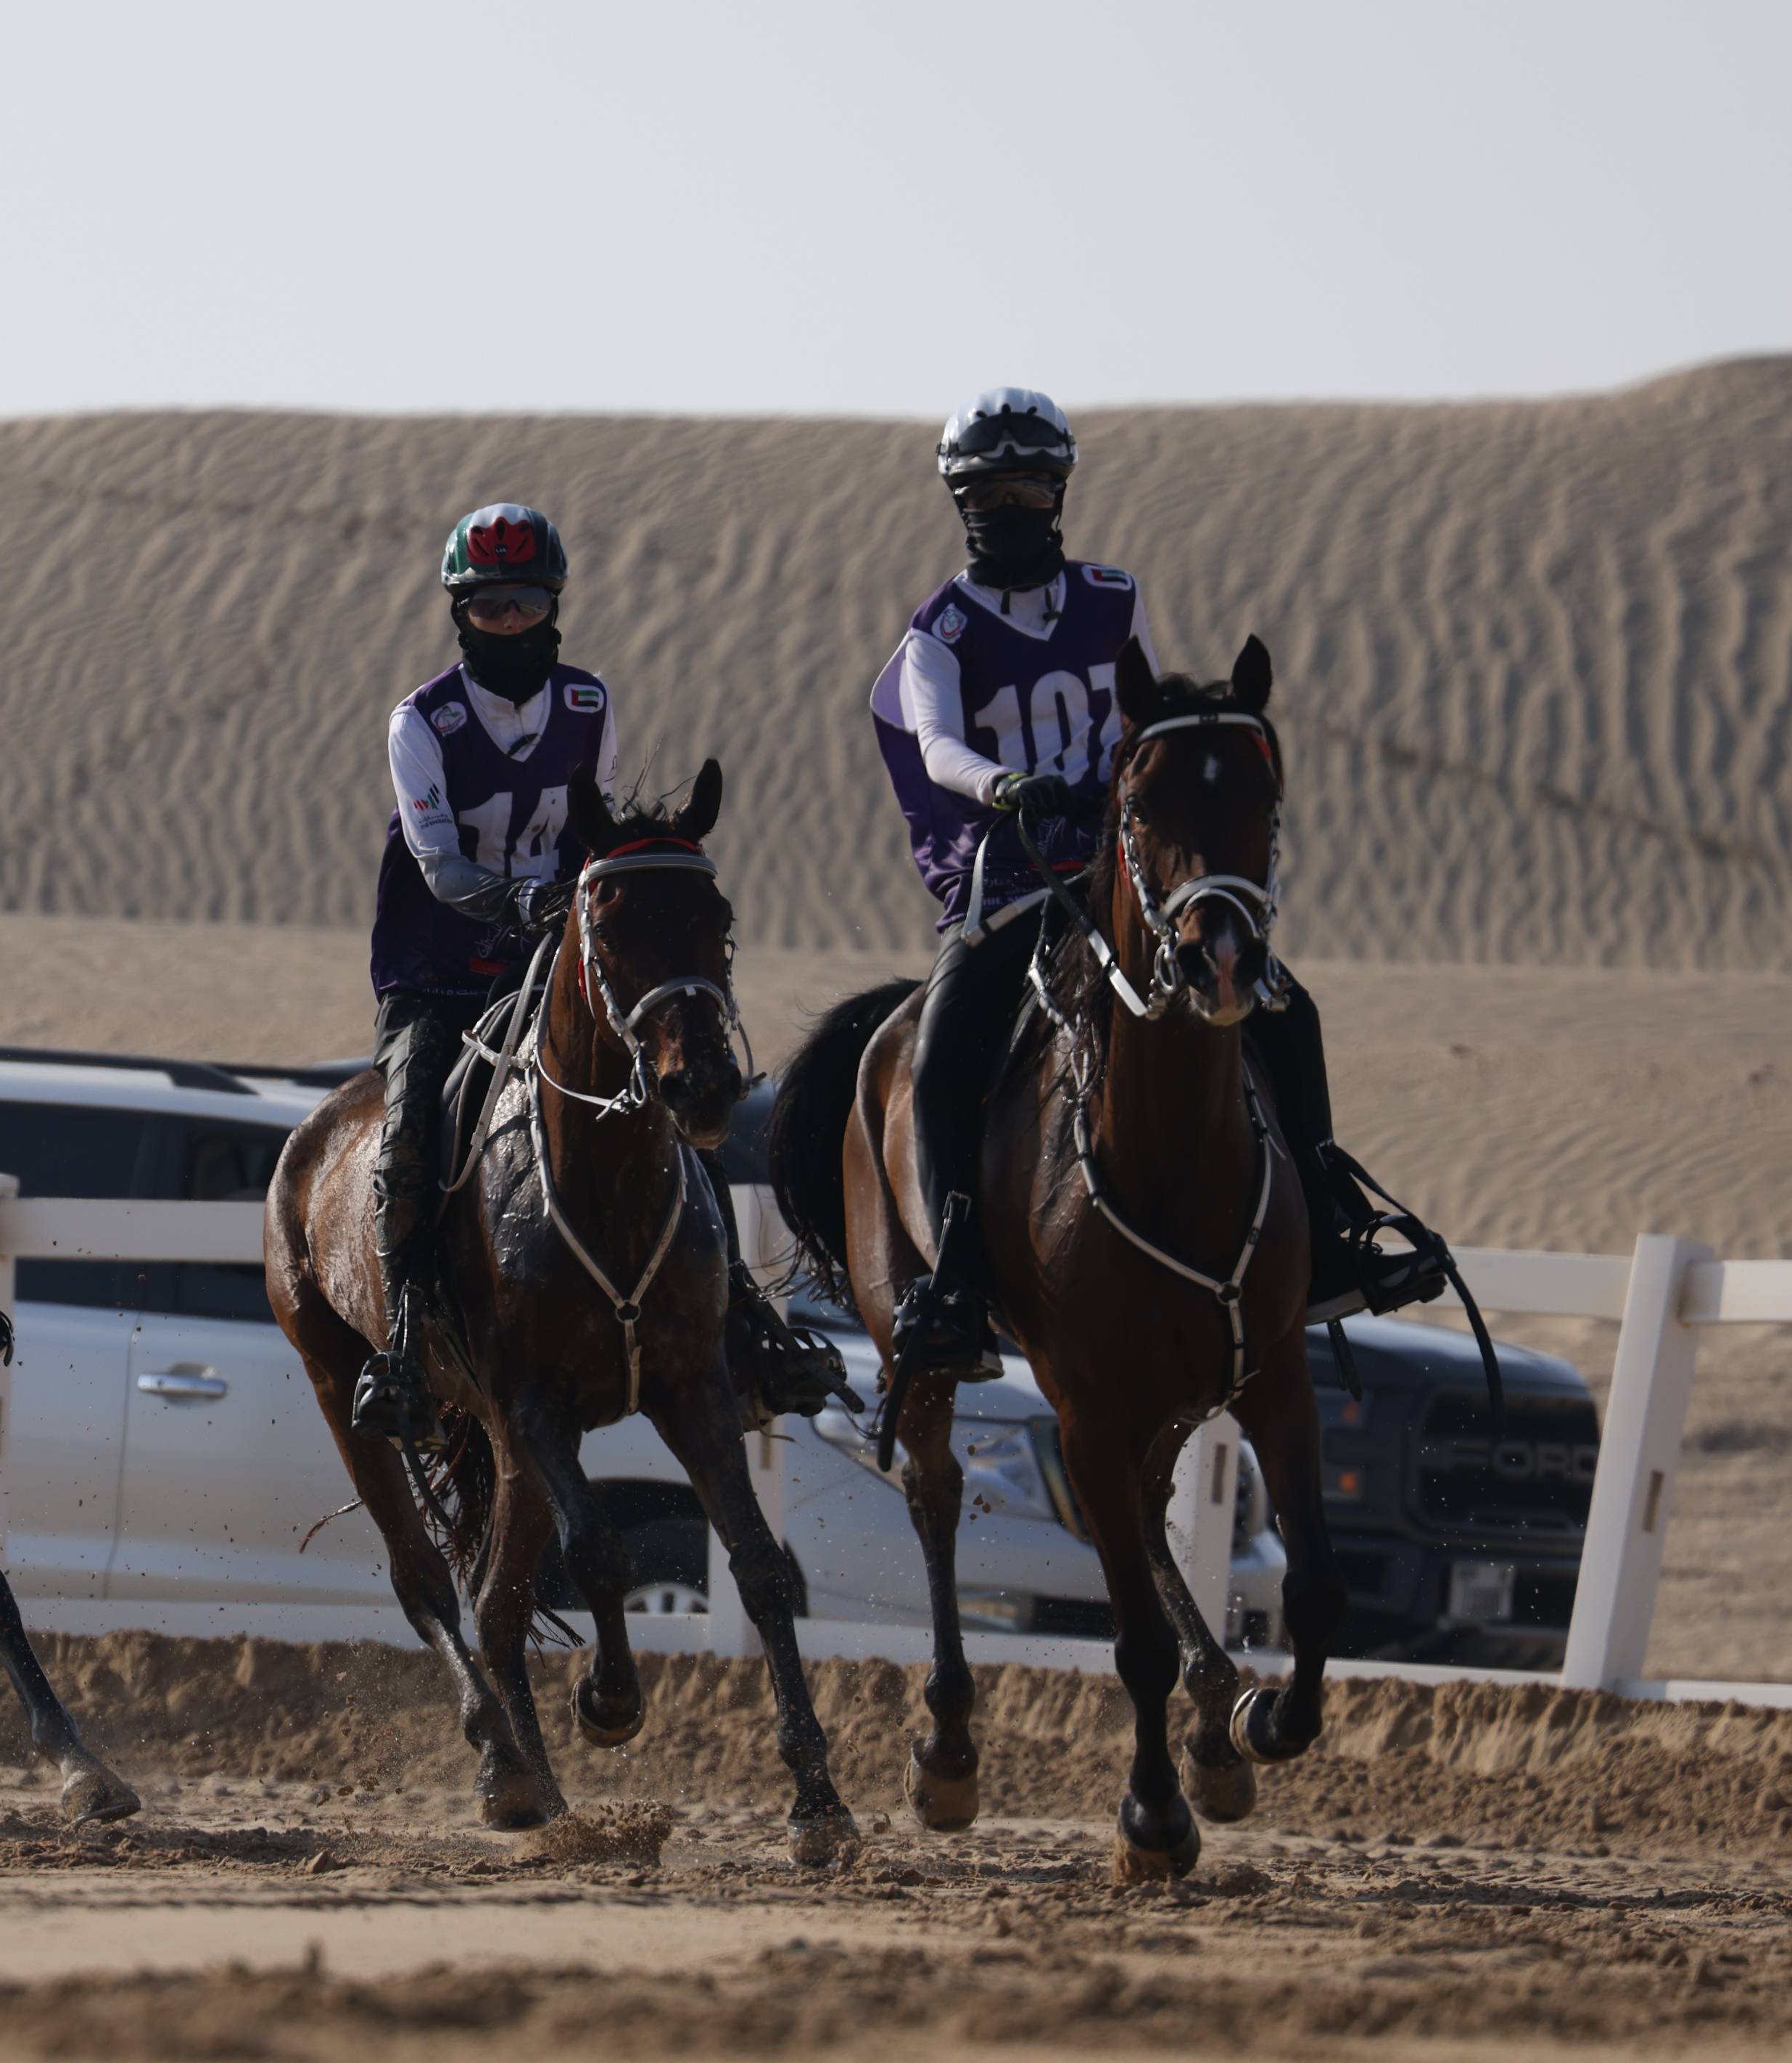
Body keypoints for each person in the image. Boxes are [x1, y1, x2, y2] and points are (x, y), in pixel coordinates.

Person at [867, 387, 1447, 1382]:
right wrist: (1004, 783)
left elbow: (1144, 711)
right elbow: (936, 744)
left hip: (1118, 869)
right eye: (990, 490)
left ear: (1060, 491)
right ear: (960, 499)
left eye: (1032, 486)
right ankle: (955, 1271)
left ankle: (1331, 1224)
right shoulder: (939, 630)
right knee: (948, 1035)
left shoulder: (1114, 595)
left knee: (1279, 1007)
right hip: (1008, 874)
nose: (1014, 507)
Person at [350, 505, 806, 1441]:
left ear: (553, 603)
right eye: (488, 605)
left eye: (524, 602)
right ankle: (403, 1341)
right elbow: (436, 862)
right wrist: (521, 903)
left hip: (554, 969)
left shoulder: (589, 705)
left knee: (670, 1107)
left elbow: (592, 842)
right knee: (407, 1138)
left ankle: (747, 1317)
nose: (508, 621)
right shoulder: (421, 721)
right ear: (459, 611)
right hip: (436, 968)